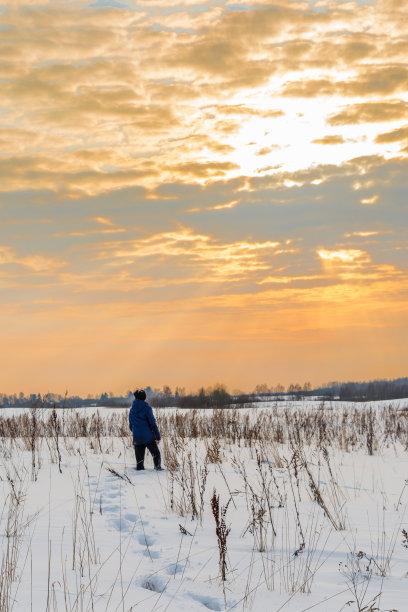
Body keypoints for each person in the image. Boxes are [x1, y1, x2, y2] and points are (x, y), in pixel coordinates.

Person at [129, 389, 162, 471]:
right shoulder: (147, 408)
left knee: (139, 461)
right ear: (144, 398)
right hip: (148, 437)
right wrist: (157, 437)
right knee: (156, 454)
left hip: (137, 437)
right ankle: (158, 468)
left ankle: (140, 471)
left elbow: (131, 425)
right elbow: (152, 423)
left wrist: (136, 432)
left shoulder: (132, 410)